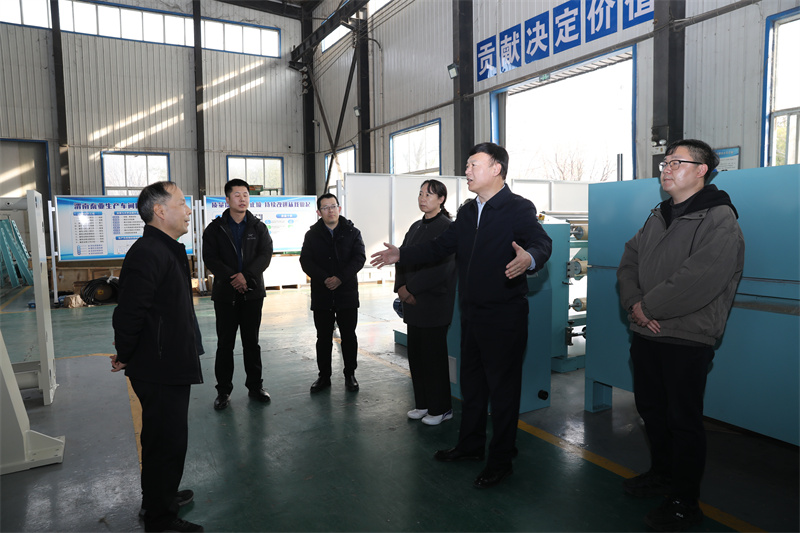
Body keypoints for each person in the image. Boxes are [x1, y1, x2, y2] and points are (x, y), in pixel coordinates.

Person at [371, 142, 552, 489]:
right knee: (472, 385)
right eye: (467, 165)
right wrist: (402, 255)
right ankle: (470, 445)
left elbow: (541, 242)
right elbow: (440, 246)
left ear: (496, 169)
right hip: (471, 314)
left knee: (502, 391)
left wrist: (529, 258)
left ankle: (501, 460)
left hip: (505, 316)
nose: (466, 171)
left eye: (473, 165)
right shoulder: (468, 212)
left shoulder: (517, 208)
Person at [617, 139, 745, 531]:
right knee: (651, 410)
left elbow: (701, 278)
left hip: (687, 337)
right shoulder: (659, 215)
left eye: (677, 162)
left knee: (683, 420)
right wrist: (634, 303)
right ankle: (662, 474)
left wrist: (648, 308)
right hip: (647, 332)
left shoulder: (719, 219)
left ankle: (685, 502)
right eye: (665, 162)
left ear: (702, 170)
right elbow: (629, 261)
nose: (667, 169)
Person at [111, 182, 204, 533]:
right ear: (160, 211)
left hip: (168, 358)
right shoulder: (149, 252)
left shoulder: (165, 248)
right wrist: (125, 353)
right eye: (181, 203)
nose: (188, 210)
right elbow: (129, 311)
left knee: (164, 437)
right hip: (160, 365)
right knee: (165, 442)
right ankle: (160, 518)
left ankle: (159, 496)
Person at [203, 179, 273, 411]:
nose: (242, 199)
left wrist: (246, 276)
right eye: (237, 195)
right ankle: (223, 391)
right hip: (225, 294)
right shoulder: (215, 229)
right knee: (225, 344)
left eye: (245, 195)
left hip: (253, 293)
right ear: (227, 199)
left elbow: (265, 254)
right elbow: (210, 258)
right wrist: (234, 278)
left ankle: (255, 387)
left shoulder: (258, 227)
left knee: (252, 342)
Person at [395, 179, 457, 426]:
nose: (423, 198)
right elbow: (401, 257)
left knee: (434, 358)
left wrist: (411, 288)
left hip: (434, 303)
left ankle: (441, 408)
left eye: (429, 194)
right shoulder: (415, 227)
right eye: (421, 194)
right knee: (417, 357)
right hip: (412, 303)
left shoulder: (447, 228)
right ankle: (422, 404)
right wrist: (401, 287)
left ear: (441, 199)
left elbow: (442, 268)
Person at [300, 193, 366, 393]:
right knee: (323, 337)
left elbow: (359, 258)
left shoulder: (352, 232)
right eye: (325, 207)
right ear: (319, 212)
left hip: (346, 294)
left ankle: (350, 374)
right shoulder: (312, 235)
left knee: (349, 336)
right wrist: (324, 278)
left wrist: (340, 278)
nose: (330, 211)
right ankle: (324, 376)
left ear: (339, 208)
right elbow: (306, 260)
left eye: (333, 206)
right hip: (322, 294)